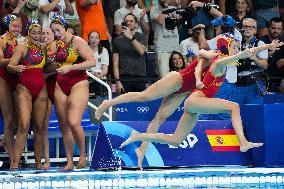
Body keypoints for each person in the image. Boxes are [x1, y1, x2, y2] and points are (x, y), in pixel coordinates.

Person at [119, 36, 283, 164]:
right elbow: (239, 55)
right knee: (233, 107)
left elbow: (246, 52)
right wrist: (244, 53)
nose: (236, 49)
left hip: (195, 104)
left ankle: (139, 136)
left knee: (176, 140)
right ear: (225, 48)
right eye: (233, 47)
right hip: (195, 100)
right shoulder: (219, 61)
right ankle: (243, 142)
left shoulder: (226, 61)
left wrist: (268, 47)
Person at [50, 15, 96, 170]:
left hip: (78, 83)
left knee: (74, 122)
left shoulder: (78, 41)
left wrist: (71, 67)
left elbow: (92, 61)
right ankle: (69, 161)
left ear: (65, 27)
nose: (56, 33)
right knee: (64, 126)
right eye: (53, 31)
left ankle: (82, 156)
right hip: (60, 84)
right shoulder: (56, 44)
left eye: (58, 29)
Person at [8, 19, 47, 170]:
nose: (37, 35)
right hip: (24, 88)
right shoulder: (22, 47)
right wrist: (16, 68)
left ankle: (38, 163)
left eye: (39, 33)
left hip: (41, 89)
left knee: (39, 127)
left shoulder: (44, 49)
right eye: (34, 32)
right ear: (29, 33)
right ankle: (15, 162)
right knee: (24, 125)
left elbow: (48, 67)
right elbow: (10, 65)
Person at [0, 14, 21, 166]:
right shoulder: (1, 40)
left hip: (18, 80)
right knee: (8, 119)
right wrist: (16, 58)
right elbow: (0, 62)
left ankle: (6, 141)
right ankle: (13, 156)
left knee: (16, 121)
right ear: (7, 26)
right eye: (14, 26)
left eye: (19, 26)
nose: (17, 29)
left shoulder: (21, 41)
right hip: (4, 80)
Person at [112, 13, 147, 94]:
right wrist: (117, 81)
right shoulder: (117, 40)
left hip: (140, 77)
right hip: (124, 77)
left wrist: (131, 37)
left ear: (136, 24)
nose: (128, 23)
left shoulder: (142, 36)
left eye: (131, 21)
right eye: (126, 21)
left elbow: (141, 51)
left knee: (140, 104)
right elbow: (115, 63)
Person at [41, 26, 60, 169]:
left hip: (58, 87)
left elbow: (61, 66)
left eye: (48, 33)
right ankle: (46, 160)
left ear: (54, 35)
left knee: (66, 124)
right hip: (44, 88)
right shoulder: (39, 50)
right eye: (43, 33)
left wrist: (47, 74)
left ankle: (71, 160)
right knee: (44, 126)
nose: (45, 35)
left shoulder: (61, 48)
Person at [87, 31, 109, 96]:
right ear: (88, 39)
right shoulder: (84, 50)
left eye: (96, 38)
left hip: (100, 77)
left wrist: (99, 75)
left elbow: (105, 70)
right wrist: (92, 74)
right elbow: (82, 68)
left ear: (99, 40)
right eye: (92, 37)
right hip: (88, 77)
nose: (94, 40)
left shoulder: (103, 50)